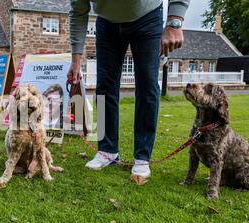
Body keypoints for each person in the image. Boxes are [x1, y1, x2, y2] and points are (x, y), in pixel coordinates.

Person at [68, 0, 190, 178]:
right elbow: (78, 12)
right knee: (104, 87)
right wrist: (76, 60)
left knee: (147, 85)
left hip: (147, 17)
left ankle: (142, 157)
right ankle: (107, 150)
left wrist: (175, 20)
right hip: (106, 22)